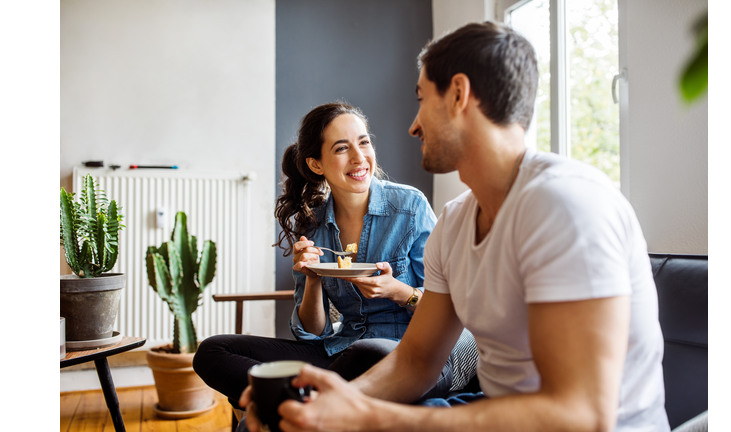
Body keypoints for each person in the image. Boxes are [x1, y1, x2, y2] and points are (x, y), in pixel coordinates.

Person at [238, 21, 670, 432]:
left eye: (422, 99)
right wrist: (332, 406)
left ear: (459, 95)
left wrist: (370, 418)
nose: (413, 125)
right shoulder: (456, 222)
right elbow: (416, 361)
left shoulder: (566, 206)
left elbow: (580, 415)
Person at [193, 102, 464, 409]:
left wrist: (398, 291)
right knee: (214, 350)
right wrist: (312, 280)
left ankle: (288, 403)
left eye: (364, 142)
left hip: (410, 358)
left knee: (367, 352)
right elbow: (313, 333)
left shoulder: (409, 207)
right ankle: (304, 404)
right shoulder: (312, 223)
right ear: (316, 164)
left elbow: (446, 311)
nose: (359, 157)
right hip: (341, 353)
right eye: (341, 148)